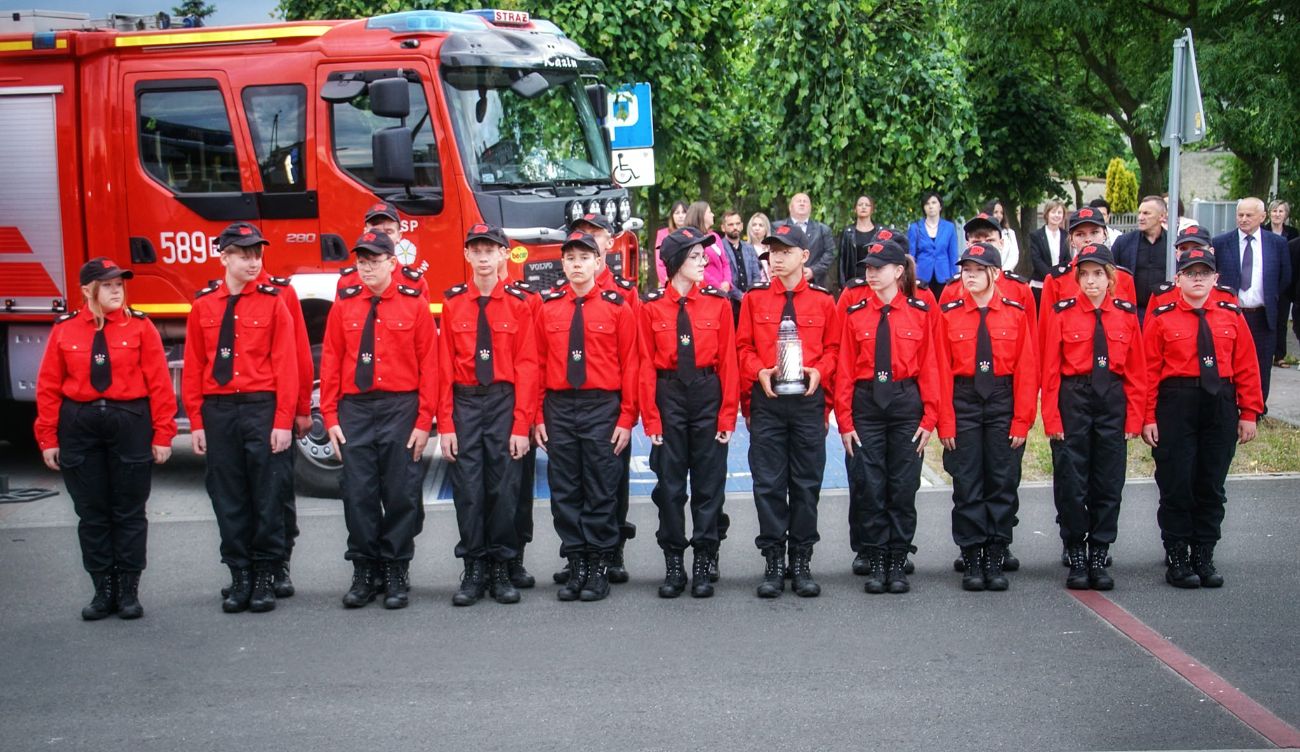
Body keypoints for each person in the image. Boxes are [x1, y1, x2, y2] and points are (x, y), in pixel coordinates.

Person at [35, 258, 176, 620]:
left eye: (120, 284)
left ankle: (128, 591)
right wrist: (48, 437)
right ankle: (103, 590)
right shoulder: (65, 330)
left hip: (129, 420)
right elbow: (49, 387)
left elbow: (159, 383)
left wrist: (163, 433)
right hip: (79, 424)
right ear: (87, 290)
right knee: (92, 513)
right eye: (109, 285)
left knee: (129, 510)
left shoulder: (141, 327)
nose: (117, 290)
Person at [182, 222, 298, 614]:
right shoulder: (203, 306)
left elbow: (287, 366)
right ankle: (240, 575)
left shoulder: (272, 301)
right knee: (227, 496)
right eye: (244, 254)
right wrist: (196, 421)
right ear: (224, 256)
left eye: (257, 253)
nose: (253, 261)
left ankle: (265, 574)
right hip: (219, 410)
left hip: (260, 407)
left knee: (266, 494)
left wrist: (284, 420)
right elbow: (196, 366)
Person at [320, 230, 438, 610]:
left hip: (400, 408)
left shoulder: (414, 304)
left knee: (401, 492)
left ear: (393, 263)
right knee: (358, 493)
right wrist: (330, 415)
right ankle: (364, 570)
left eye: (375, 260)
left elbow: (429, 367)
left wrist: (424, 421)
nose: (367, 267)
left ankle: (395, 569)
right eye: (362, 261)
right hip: (355, 410)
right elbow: (332, 362)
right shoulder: (344, 305)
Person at [1142, 248, 1263, 588]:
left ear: (1215, 278)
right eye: (1190, 272)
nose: (1197, 278)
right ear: (1177, 279)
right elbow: (1149, 370)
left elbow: (1247, 367)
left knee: (1211, 484)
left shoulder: (1230, 314)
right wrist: (1148, 416)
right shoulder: (1162, 317)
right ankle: (1178, 556)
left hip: (1220, 403)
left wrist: (1249, 412)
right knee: (1177, 482)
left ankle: (1204, 555)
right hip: (1176, 402)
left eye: (1204, 272)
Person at [534, 231, 639, 603]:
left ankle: (598, 566)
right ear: (562, 264)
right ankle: (576, 563)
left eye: (584, 258)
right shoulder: (547, 307)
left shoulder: (616, 307)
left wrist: (627, 417)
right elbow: (538, 363)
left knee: (600, 487)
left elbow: (631, 364)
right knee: (565, 490)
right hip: (560, 407)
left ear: (599, 263)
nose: (576, 264)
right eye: (570, 258)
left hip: (601, 406)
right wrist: (537, 415)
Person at [736, 224, 839, 599]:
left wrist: (819, 371)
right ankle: (773, 560)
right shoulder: (754, 300)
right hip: (770, 402)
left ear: (804, 256)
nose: (777, 258)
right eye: (772, 252)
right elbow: (742, 349)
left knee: (806, 484)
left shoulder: (824, 302)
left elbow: (834, 351)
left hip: (808, 402)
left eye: (785, 251)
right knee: (768, 484)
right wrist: (757, 371)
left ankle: (802, 559)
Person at [438, 224, 539, 606]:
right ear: (467, 256)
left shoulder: (518, 304)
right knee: (467, 490)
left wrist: (521, 424)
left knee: (504, 489)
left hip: (502, 401)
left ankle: (501, 567)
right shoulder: (452, 304)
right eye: (475, 250)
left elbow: (528, 366)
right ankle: (474, 568)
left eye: (490, 250)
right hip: (465, 403)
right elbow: (443, 368)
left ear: (503, 256)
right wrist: (445, 423)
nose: (482, 257)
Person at [836, 239, 940, 595]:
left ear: (898, 272)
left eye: (878, 268)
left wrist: (930, 417)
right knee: (869, 484)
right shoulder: (854, 315)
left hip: (904, 403)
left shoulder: (920, 313)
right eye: (867, 267)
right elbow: (845, 370)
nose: (870, 273)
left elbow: (930, 367)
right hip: (867, 404)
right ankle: (876, 557)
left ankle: (897, 558)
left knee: (903, 484)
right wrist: (844, 421)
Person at [639, 227, 738, 598]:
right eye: (695, 257)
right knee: (670, 486)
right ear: (677, 262)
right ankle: (674, 562)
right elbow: (644, 364)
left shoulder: (718, 304)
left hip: (706, 393)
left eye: (703, 256)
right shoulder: (649, 307)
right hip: (668, 395)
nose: (704, 262)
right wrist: (651, 418)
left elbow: (728, 362)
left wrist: (728, 416)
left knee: (709, 485)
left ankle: (703, 560)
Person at [1040, 243, 1146, 591]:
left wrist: (1134, 418)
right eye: (1084, 274)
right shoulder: (1061, 312)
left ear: (1110, 277)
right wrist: (1052, 419)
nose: (1090, 281)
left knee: (1108, 481)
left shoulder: (1127, 314)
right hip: (1074, 396)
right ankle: (1076, 551)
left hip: (1111, 399)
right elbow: (1051, 372)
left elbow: (1135, 371)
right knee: (1071, 480)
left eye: (1098, 274)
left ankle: (1099, 553)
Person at [937, 242, 1037, 592]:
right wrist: (945, 421)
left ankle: (995, 554)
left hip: (1001, 399)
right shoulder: (947, 314)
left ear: (995, 273)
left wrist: (1022, 420)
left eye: (979, 270)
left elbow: (1027, 370)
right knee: (967, 482)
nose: (971, 276)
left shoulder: (1016, 312)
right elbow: (940, 371)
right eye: (967, 270)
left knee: (1002, 479)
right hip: (963, 399)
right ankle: (972, 557)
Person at [1212, 197, 1293, 405]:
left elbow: (1285, 277)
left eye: (1249, 215)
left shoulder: (1277, 244)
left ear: (1262, 217)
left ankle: (1257, 408)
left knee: (1261, 363)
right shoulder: (1221, 243)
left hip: (1262, 315)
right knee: (1229, 361)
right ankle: (1230, 405)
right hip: (1231, 315)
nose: (1244, 219)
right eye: (1240, 215)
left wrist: (1269, 297)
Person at [337, 201, 430, 299]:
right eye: (375, 231)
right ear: (365, 232)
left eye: (388, 232)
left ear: (399, 236)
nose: (381, 237)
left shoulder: (416, 283)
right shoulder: (347, 281)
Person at [1144, 225, 1237, 317]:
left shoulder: (1226, 296)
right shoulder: (1161, 296)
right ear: (1177, 254)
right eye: (1183, 249)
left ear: (1211, 252)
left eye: (1197, 248)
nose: (1190, 253)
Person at [1112, 195, 1169, 318]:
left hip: (1164, 311)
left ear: (1162, 216)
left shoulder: (1173, 245)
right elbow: (1111, 274)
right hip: (1132, 311)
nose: (1140, 218)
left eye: (1146, 213)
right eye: (1139, 213)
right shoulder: (1123, 243)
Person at [773, 193, 837, 289]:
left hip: (815, 283)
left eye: (805, 201)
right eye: (799, 201)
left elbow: (830, 253)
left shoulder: (823, 229)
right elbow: (773, 251)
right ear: (790, 207)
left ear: (810, 208)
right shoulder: (777, 228)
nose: (802, 203)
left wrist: (813, 271)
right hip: (785, 282)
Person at [906, 191, 960, 291]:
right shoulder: (915, 228)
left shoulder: (949, 227)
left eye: (934, 202)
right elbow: (911, 256)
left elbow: (953, 255)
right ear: (924, 208)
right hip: (921, 276)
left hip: (944, 276)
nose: (931, 206)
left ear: (940, 206)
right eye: (927, 204)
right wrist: (910, 278)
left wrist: (955, 278)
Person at [1267, 200, 1298, 367]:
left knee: (1281, 320)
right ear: (1269, 213)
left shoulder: (1293, 233)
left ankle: (1279, 355)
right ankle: (1264, 353)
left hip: (1285, 282)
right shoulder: (1262, 231)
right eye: (1274, 211)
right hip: (1267, 280)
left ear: (1285, 214)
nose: (1277, 214)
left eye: (1280, 211)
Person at [719, 209, 763, 320]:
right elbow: (723, 277)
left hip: (750, 302)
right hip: (730, 302)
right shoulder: (720, 248)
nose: (735, 227)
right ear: (723, 227)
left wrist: (750, 295)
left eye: (738, 224)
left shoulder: (749, 247)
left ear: (742, 225)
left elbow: (756, 275)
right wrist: (740, 296)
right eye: (731, 224)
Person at [684, 201, 732, 294]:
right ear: (701, 215)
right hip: (706, 290)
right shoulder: (692, 239)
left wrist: (727, 282)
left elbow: (725, 263)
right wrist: (717, 286)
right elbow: (698, 267)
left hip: (723, 290)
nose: (713, 215)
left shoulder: (715, 236)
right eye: (709, 212)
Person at [837, 194, 882, 285]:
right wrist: (842, 285)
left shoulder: (880, 232)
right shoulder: (848, 232)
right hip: (853, 280)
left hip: (876, 279)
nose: (863, 207)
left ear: (872, 209)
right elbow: (841, 261)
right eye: (860, 204)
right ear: (855, 209)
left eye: (867, 205)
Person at [1029, 200, 1068, 291]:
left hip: (1061, 283)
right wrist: (1051, 276)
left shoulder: (1066, 235)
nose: (1056, 215)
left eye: (1059, 212)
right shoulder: (1036, 235)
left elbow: (1067, 259)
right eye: (1053, 212)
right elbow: (1036, 260)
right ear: (1047, 214)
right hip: (1040, 284)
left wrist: (1060, 276)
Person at [654, 199, 689, 285]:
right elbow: (660, 261)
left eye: (684, 212)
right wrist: (667, 280)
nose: (680, 216)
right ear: (672, 216)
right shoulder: (662, 234)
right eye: (677, 213)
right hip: (668, 280)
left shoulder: (693, 234)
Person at [982, 198, 1020, 273]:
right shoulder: (982, 232)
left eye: (1001, 212)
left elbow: (1014, 255)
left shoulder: (1010, 233)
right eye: (995, 212)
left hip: (1006, 274)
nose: (999, 215)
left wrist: (1002, 271)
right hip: (987, 273)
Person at [748, 212, 772, 284]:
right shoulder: (746, 249)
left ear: (766, 229)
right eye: (754, 225)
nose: (757, 228)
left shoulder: (772, 248)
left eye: (761, 225)